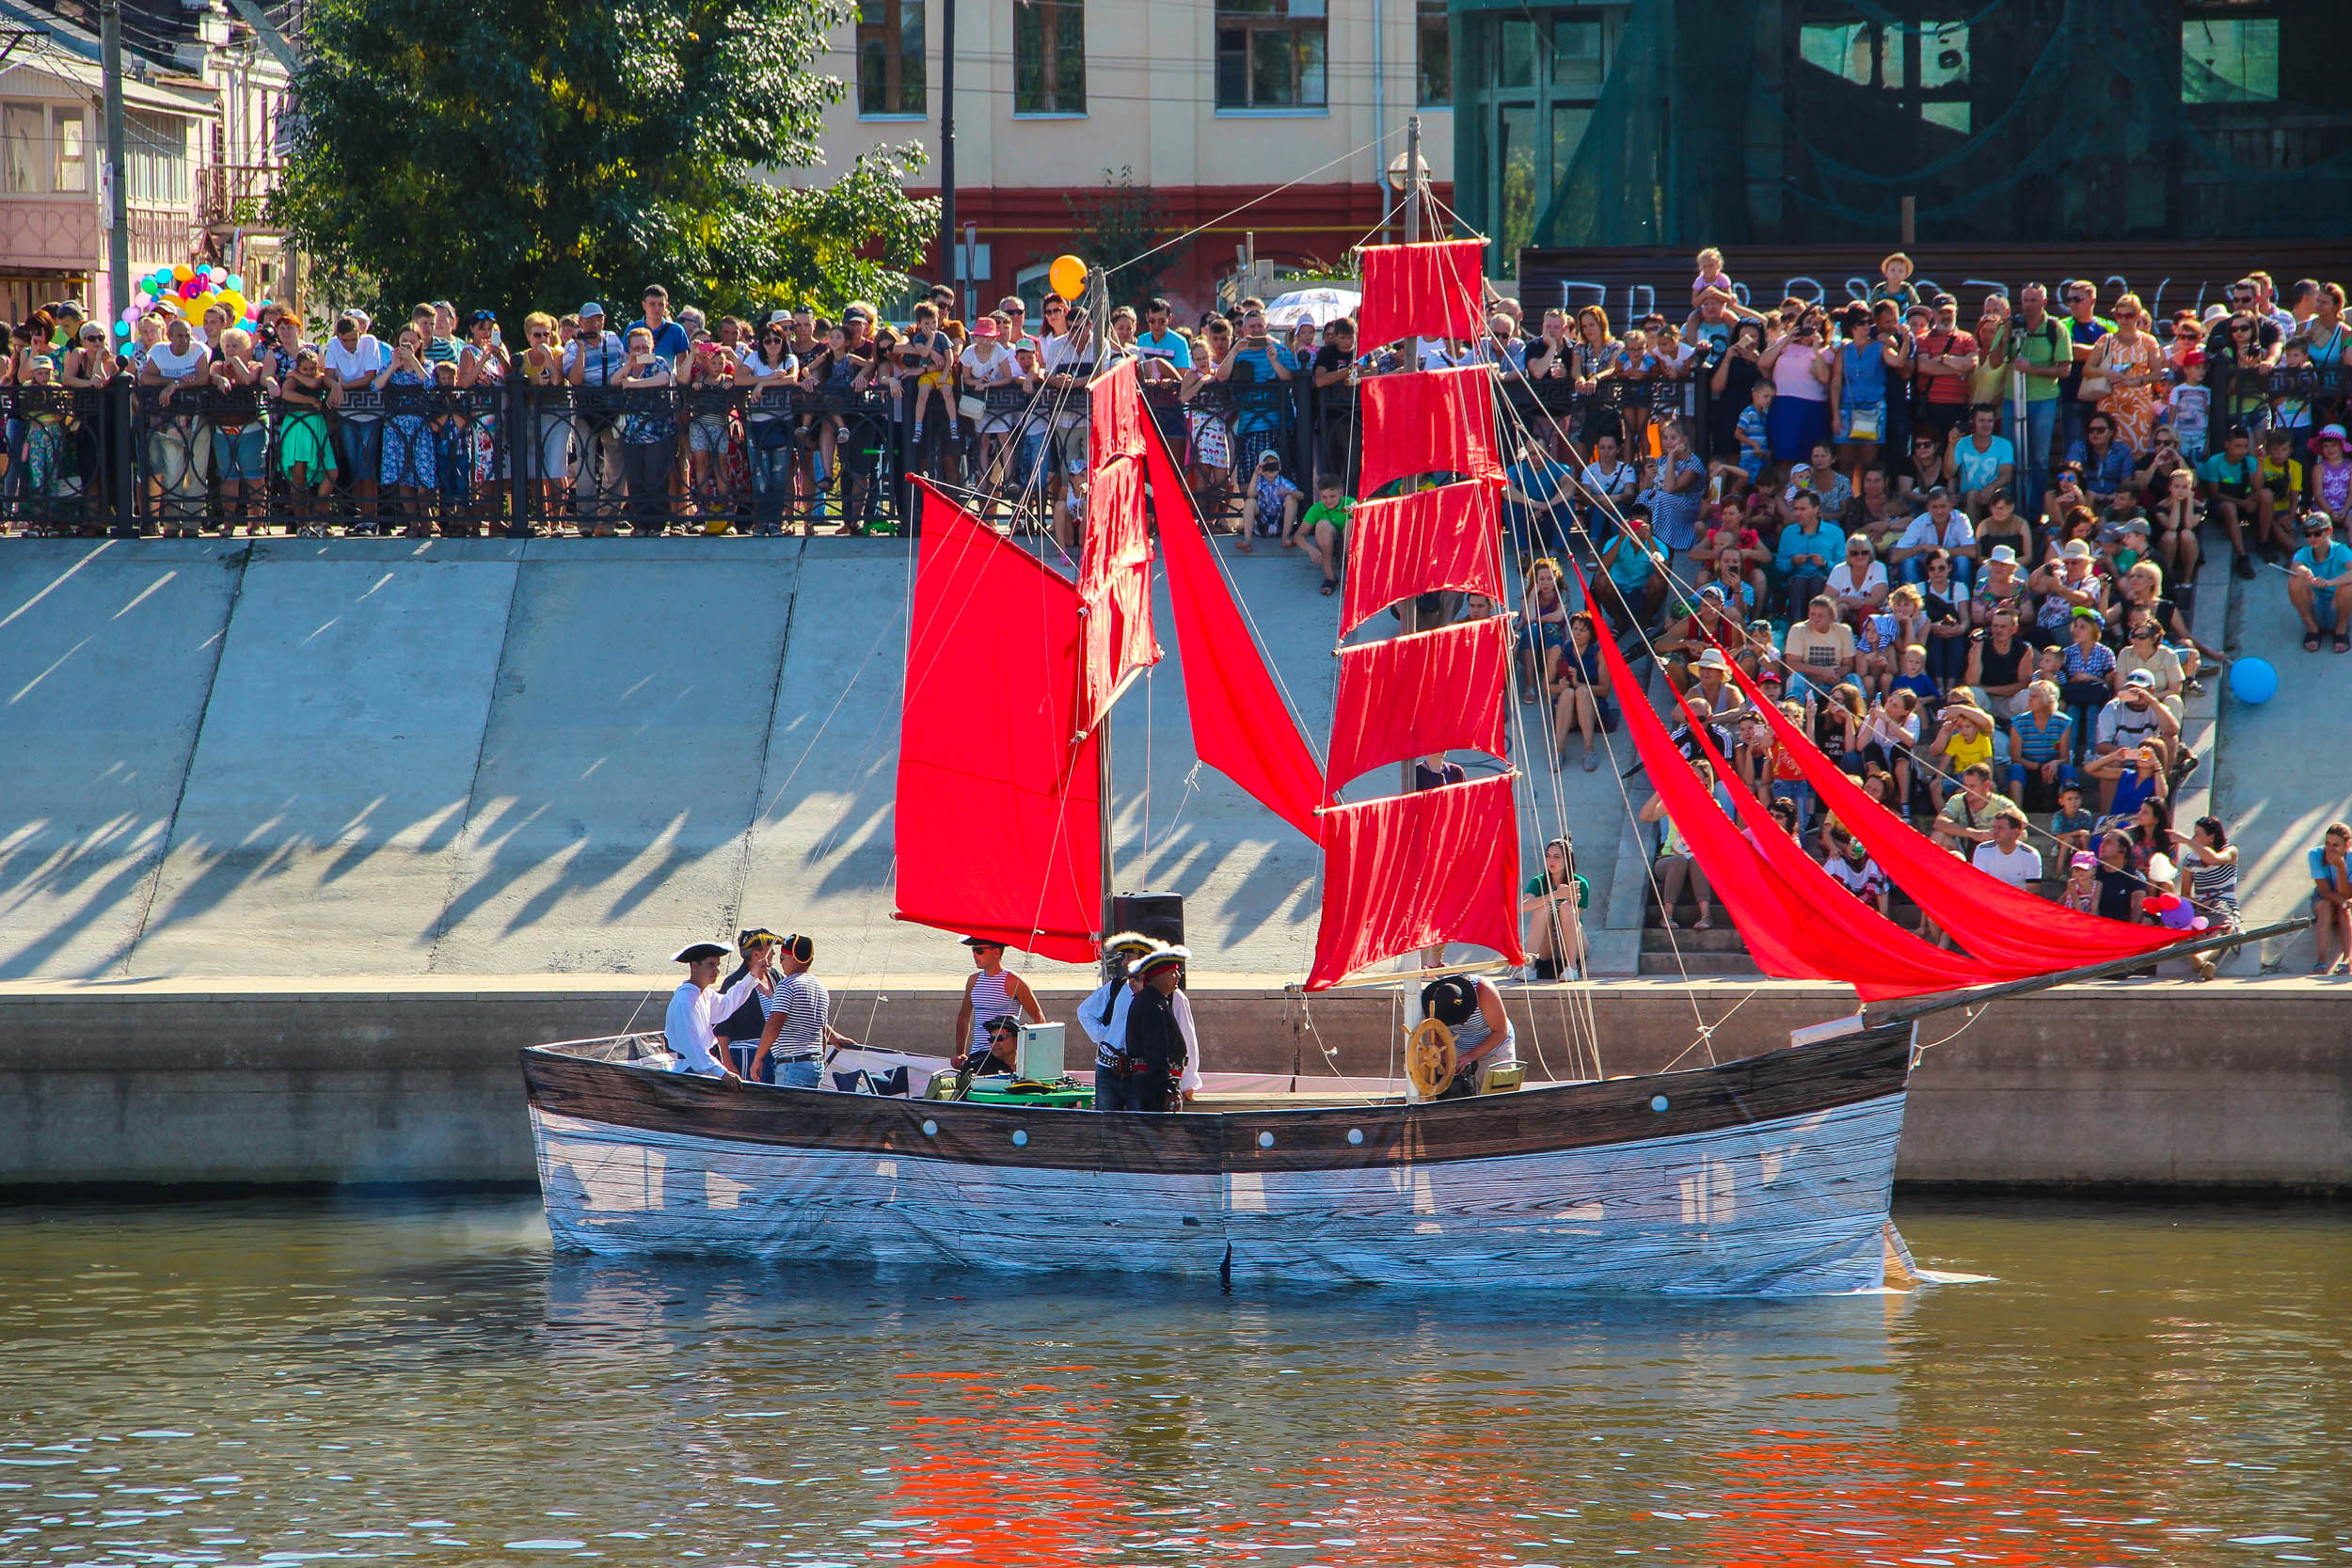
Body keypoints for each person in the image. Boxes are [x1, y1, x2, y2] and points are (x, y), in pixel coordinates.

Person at [750, 933, 856, 1086]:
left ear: (794, 959)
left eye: (782, 958)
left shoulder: (787, 986)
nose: (780, 963)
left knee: (789, 1110)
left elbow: (774, 1025)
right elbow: (821, 1032)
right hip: (815, 1065)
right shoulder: (820, 988)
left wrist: (758, 1058)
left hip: (792, 1066)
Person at [1077, 932, 1164, 1109]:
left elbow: (1184, 1036)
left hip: (1142, 1074)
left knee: (1139, 1127)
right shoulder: (1116, 987)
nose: (1123, 963)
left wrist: (1187, 1082)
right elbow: (1084, 1012)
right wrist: (1104, 1036)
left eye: (1128, 957)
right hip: (1108, 1070)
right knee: (1106, 1128)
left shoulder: (1166, 995)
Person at [1107, 944, 1189, 1113]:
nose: (1178, 976)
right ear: (1160, 976)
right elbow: (1156, 1048)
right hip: (1152, 1089)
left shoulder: (1151, 1001)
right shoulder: (1153, 1005)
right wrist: (1169, 1086)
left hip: (1147, 1084)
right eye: (1173, 972)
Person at [952, 935, 1042, 1069]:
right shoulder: (973, 981)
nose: (975, 955)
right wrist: (960, 1053)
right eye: (973, 950)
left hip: (1004, 1057)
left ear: (996, 952)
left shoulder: (1014, 981)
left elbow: (1038, 1018)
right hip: (978, 1055)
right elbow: (964, 1017)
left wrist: (1031, 1056)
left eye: (979, 950)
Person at [1422, 974, 1516, 1099]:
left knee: (1499, 1100)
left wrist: (1470, 1056)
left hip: (1495, 1049)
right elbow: (1435, 1031)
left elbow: (1500, 1032)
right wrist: (1445, 1055)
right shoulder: (1432, 999)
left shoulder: (1483, 991)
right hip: (1458, 1051)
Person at [662, 941, 738, 1079]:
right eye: (711, 965)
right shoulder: (685, 1001)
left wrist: (752, 977)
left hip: (701, 1068)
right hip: (690, 1072)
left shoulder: (705, 993)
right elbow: (692, 1047)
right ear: (695, 966)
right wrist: (722, 1072)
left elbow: (726, 1005)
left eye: (717, 965)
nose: (716, 971)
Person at [1521, 835, 1589, 980]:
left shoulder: (1579, 883)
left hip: (1573, 943)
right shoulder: (1539, 881)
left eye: (1557, 857)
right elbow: (1522, 907)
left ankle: (1571, 967)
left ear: (1567, 860)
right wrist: (1555, 895)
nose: (1551, 861)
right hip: (1548, 945)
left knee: (1566, 907)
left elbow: (1577, 918)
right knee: (1542, 907)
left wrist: (1572, 902)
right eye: (1548, 856)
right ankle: (1529, 967)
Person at [2288, 513, 2352, 655]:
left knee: (2349, 586)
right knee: (2294, 580)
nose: (2312, 538)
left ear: (2329, 531)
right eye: (2308, 534)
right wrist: (2304, 571)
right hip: (2315, 606)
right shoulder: (2304, 552)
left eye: (2317, 533)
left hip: (2338, 605)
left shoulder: (2341, 550)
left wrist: (2331, 582)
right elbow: (2295, 566)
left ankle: (2341, 631)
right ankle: (2313, 629)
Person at [2311, 822, 2352, 975]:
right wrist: (2342, 901)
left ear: (2346, 846)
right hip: (2324, 900)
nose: (2330, 849)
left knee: (2344, 909)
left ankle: (2348, 959)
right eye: (2327, 843)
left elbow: (2347, 892)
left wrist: (2341, 867)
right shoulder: (2315, 855)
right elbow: (2325, 890)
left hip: (2345, 899)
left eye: (2335, 845)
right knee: (2328, 905)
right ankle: (2322, 960)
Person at [1971, 810, 2043, 892]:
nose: (1995, 832)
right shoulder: (1983, 850)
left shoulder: (2031, 854)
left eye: (2000, 828)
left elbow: (2033, 889)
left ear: (2015, 832)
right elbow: (1978, 884)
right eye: (1994, 828)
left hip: (2018, 901)